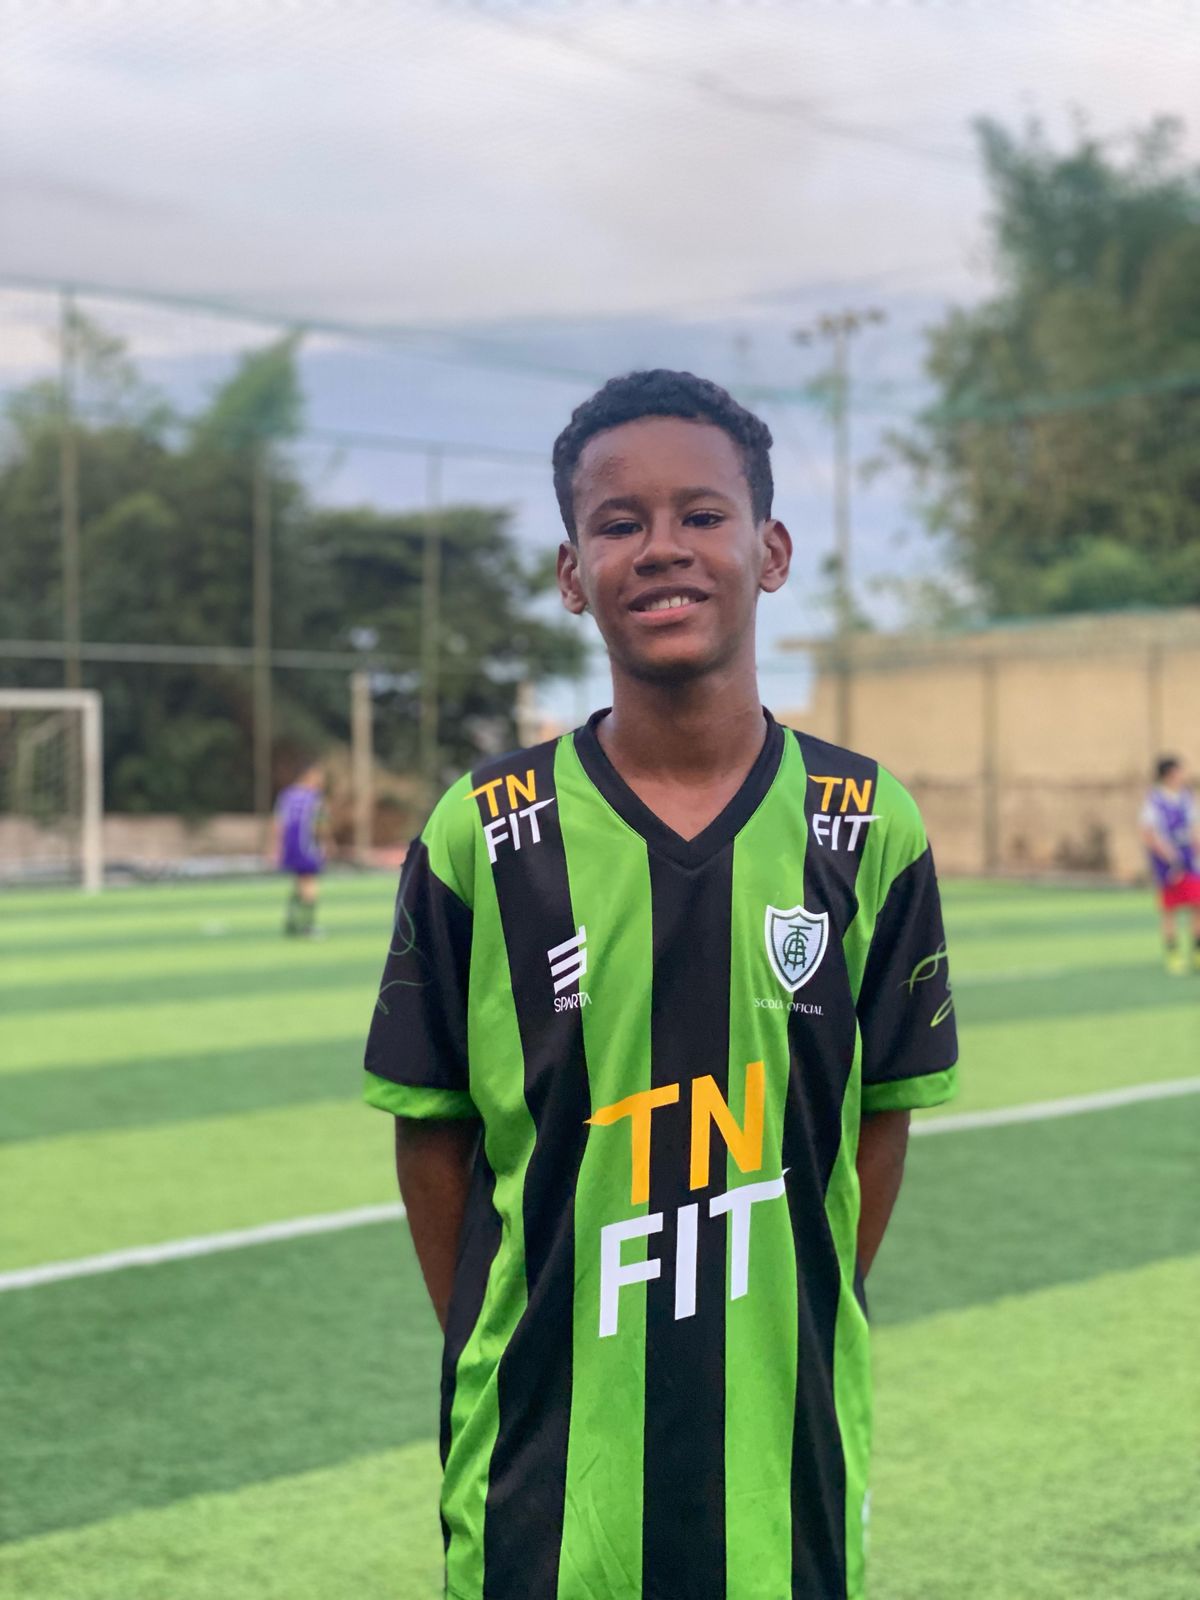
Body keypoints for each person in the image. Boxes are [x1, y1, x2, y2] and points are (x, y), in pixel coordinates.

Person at [364, 371, 959, 1600]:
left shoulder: (865, 822)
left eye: (702, 513)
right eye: (619, 522)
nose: (662, 547)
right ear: (573, 573)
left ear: (770, 550)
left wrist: (794, 1297)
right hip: (541, 1479)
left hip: (783, 1465)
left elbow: (878, 1122)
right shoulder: (486, 830)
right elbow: (432, 1137)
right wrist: (514, 1333)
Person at [1139, 755, 1200, 975]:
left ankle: (1197, 952)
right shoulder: (1154, 801)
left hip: (1189, 861)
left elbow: (1194, 829)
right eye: (1179, 771)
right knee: (1169, 910)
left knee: (1197, 905)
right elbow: (1149, 834)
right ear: (1169, 774)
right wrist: (1171, 859)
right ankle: (1173, 955)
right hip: (1168, 864)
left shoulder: (1186, 798)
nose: (1183, 775)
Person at [272, 762, 327, 936]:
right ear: (309, 775)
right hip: (307, 846)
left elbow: (278, 823)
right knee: (310, 883)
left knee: (299, 882)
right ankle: (307, 926)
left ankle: (292, 922)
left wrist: (276, 847)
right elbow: (320, 824)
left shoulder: (286, 795)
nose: (321, 780)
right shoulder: (315, 797)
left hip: (289, 846)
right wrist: (325, 844)